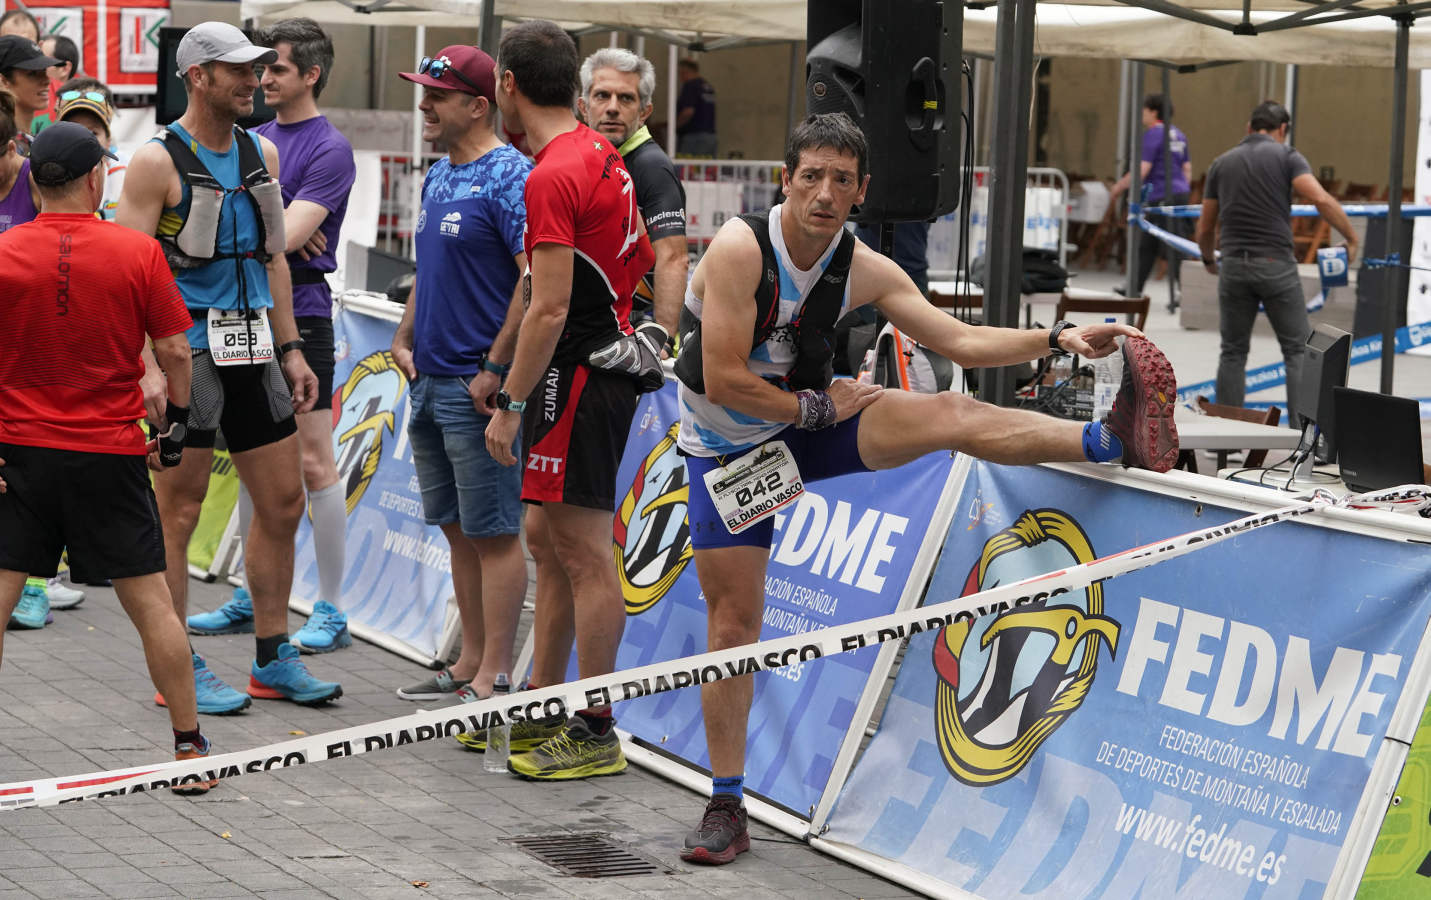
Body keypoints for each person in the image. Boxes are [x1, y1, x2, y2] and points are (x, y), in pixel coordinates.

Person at [672, 112, 1181, 865]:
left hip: (809, 423)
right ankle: (726, 801)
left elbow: (960, 341)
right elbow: (723, 379)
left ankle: (1106, 440)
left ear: (861, 190)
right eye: (810, 175)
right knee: (732, 628)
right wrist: (818, 405)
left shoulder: (860, 262)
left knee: (951, 410)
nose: (823, 193)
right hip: (725, 450)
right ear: (786, 180)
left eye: (840, 181)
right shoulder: (743, 247)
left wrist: (1056, 337)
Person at [117, 21, 341, 714]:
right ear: (198, 77)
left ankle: (274, 658)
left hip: (254, 351)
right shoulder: (156, 161)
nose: (254, 80)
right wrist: (147, 369)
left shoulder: (261, 154)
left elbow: (274, 258)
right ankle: (175, 668)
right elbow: (124, 276)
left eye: (258, 68)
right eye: (238, 70)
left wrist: (291, 349)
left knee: (281, 502)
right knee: (176, 513)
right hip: (187, 352)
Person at [0, 121, 217, 793]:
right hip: (108, 453)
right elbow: (177, 351)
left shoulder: (3, 252)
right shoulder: (136, 253)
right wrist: (177, 427)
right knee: (152, 605)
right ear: (97, 180)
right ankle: (188, 750)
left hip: (19, 455)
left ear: (33, 182)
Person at [484, 20, 656, 780]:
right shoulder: (598, 150)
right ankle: (542, 701)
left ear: (508, 86)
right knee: (547, 541)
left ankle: (594, 727)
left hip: (577, 374)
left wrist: (510, 401)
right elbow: (641, 256)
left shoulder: (553, 170)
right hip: (594, 363)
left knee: (584, 554)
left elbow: (547, 306)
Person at [190, 18, 358, 654]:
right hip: (246, 314)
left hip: (303, 316)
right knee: (254, 457)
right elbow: (263, 237)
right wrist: (269, 232)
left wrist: (269, 232)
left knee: (313, 461)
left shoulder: (327, 147)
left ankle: (332, 607)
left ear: (310, 74)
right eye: (256, 69)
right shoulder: (254, 138)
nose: (260, 79)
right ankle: (250, 595)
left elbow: (276, 241)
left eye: (276, 69)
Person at [387, 44, 531, 705]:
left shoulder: (511, 177)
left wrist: (497, 369)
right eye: (423, 92)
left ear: (479, 106)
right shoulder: (439, 176)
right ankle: (468, 658)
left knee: (495, 533)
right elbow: (429, 268)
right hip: (430, 378)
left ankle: (495, 674)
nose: (424, 105)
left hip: (476, 386)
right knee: (456, 527)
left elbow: (532, 283)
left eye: (436, 95)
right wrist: (403, 334)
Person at [1196, 100, 1357, 418]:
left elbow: (1205, 227)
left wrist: (1208, 261)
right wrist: (1351, 237)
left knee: (1233, 352)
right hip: (1275, 266)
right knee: (1298, 350)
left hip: (1233, 266)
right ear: (1283, 129)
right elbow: (1319, 197)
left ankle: (1224, 436)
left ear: (1248, 127)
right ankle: (1302, 440)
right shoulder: (1287, 157)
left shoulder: (1221, 163)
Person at [578, 47, 686, 336]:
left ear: (644, 111)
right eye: (602, 95)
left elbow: (673, 257)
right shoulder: (590, 157)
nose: (612, 107)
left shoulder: (652, 167)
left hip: (634, 330)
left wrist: (661, 338)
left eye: (626, 98)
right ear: (583, 106)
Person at [1110, 93, 1192, 303]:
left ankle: (1186, 294)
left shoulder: (1154, 134)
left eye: (1144, 110)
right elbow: (1187, 169)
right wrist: (1183, 192)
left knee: (1169, 246)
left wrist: (1119, 187)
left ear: (1153, 111)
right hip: (1178, 193)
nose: (1142, 115)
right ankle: (1134, 286)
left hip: (1161, 194)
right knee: (1156, 243)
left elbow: (1142, 169)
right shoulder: (1179, 135)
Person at [53, 77, 123, 220]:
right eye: (72, 130)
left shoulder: (126, 177)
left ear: (108, 142)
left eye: (93, 133)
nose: (83, 139)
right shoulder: (42, 178)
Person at [0, 35, 60, 154]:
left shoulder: (36, 142)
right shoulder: (5, 149)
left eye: (44, 71)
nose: (47, 80)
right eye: (32, 74)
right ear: (4, 81)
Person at [31, 33, 78, 131]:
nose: (33, 66)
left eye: (43, 61)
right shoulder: (22, 96)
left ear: (64, 68)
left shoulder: (81, 106)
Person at [675, 58, 716, 157]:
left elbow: (688, 112)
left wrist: (675, 126)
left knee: (687, 169)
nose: (680, 77)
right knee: (706, 169)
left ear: (686, 72)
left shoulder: (690, 86)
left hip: (694, 137)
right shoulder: (707, 86)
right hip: (711, 136)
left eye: (680, 73)